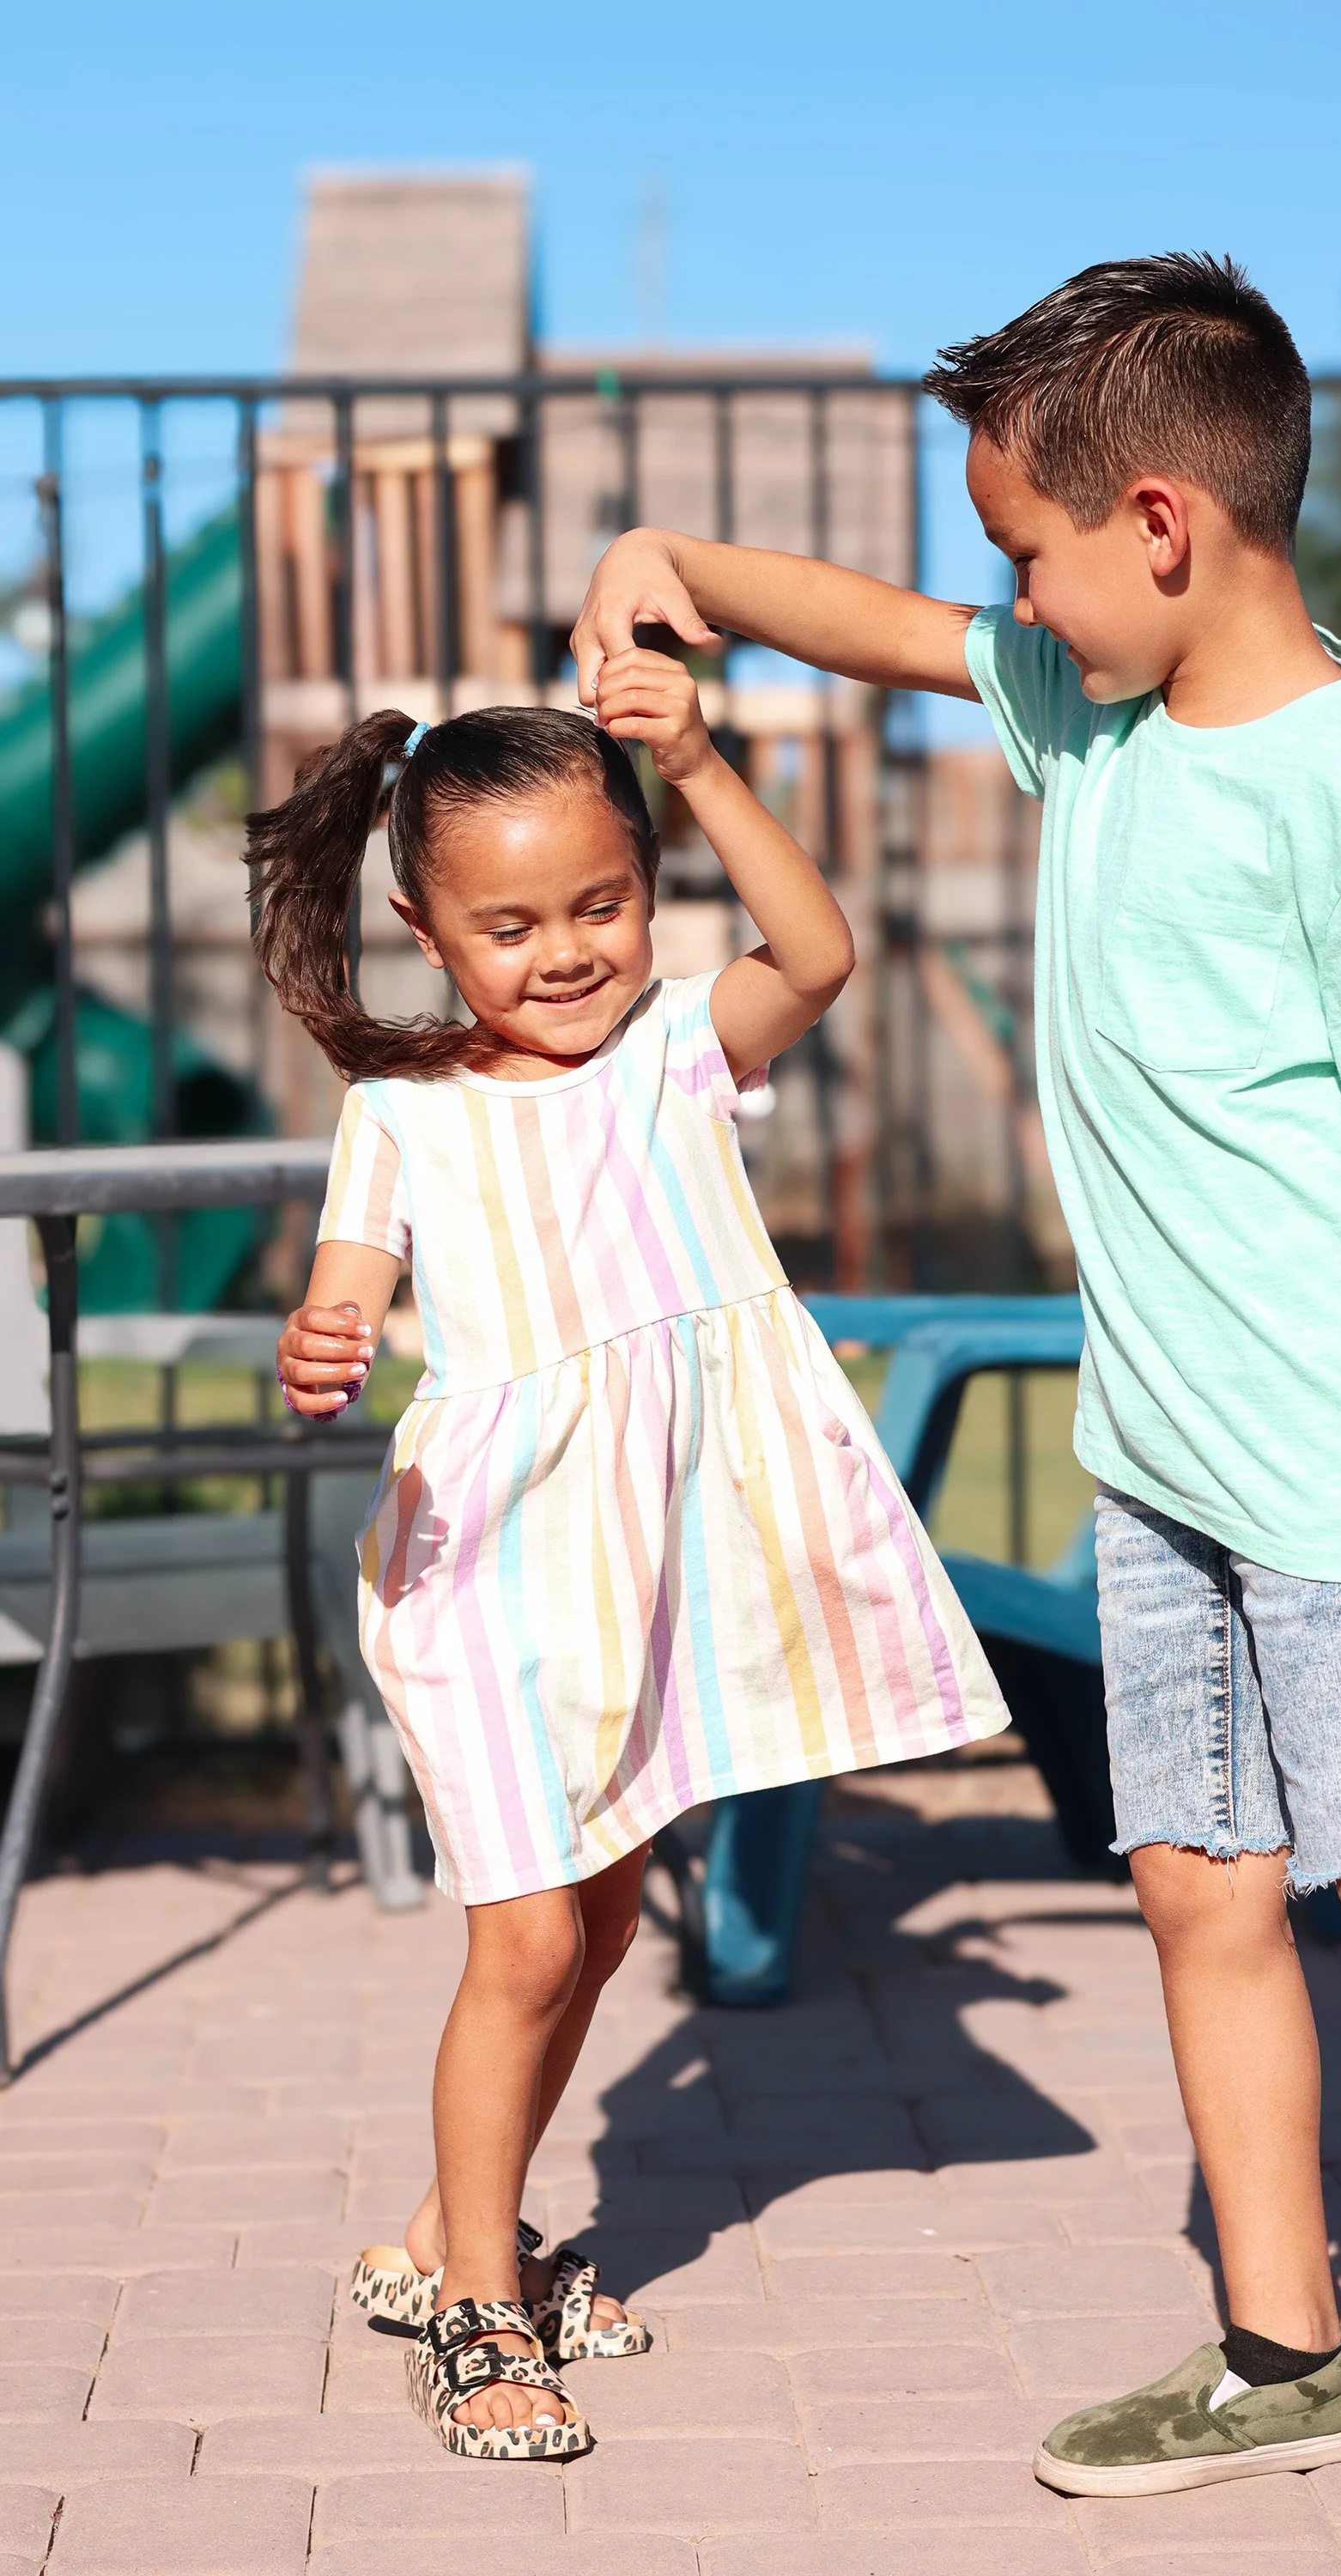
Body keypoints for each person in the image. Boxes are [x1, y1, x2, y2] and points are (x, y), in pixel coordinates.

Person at [570, 257, 1341, 2573]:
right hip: (1161, 1472)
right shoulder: (1104, 717)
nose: (1008, 608)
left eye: (1031, 556)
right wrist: (673, 572)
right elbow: (863, 620)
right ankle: (1286, 2353)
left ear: (1162, 523)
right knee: (1192, 1888)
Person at [254, 657, 1010, 2460]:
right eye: (510, 923)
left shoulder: (682, 1047)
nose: (566, 950)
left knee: (597, 1921)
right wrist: (321, 1344)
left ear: (650, 889)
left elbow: (815, 953)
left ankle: (454, 2228)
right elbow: (344, 1293)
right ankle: (477, 2313)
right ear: (428, 933)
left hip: (648, 1576)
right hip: (490, 1576)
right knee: (524, 1938)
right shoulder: (407, 1115)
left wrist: (703, 761)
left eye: (601, 901)